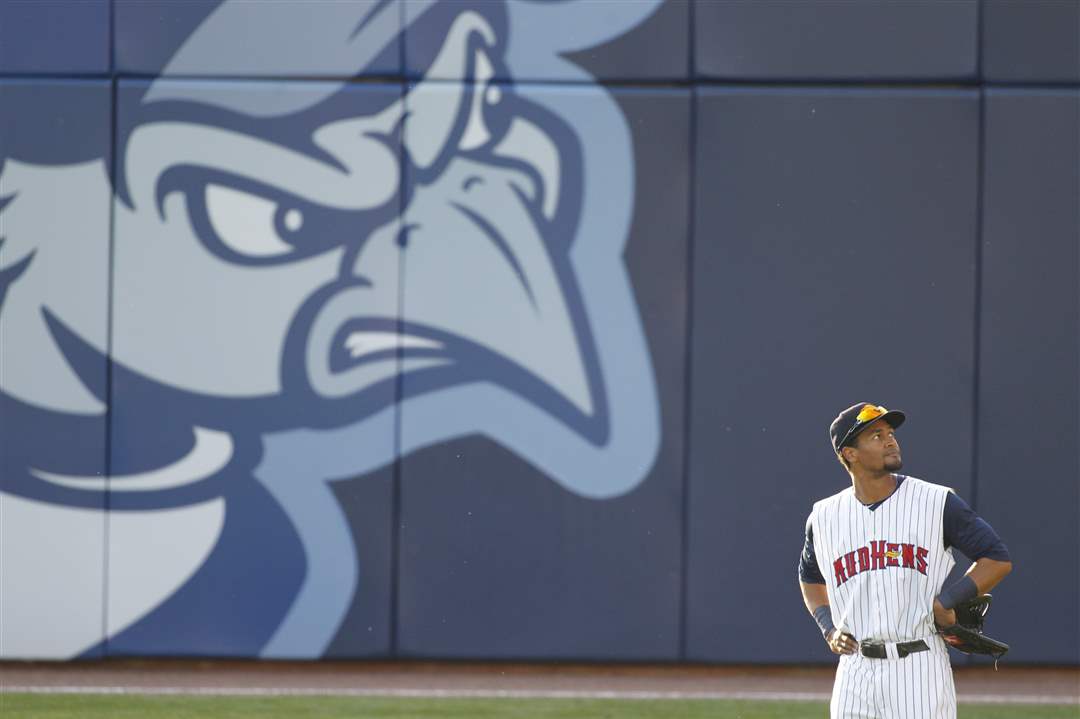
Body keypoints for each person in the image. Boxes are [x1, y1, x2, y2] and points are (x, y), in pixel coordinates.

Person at [798, 402, 1012, 719]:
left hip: (918, 665)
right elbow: (809, 577)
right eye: (876, 435)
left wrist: (948, 600)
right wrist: (828, 628)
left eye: (890, 433)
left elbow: (996, 558)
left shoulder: (936, 501)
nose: (890, 441)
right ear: (850, 453)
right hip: (854, 671)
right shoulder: (824, 516)